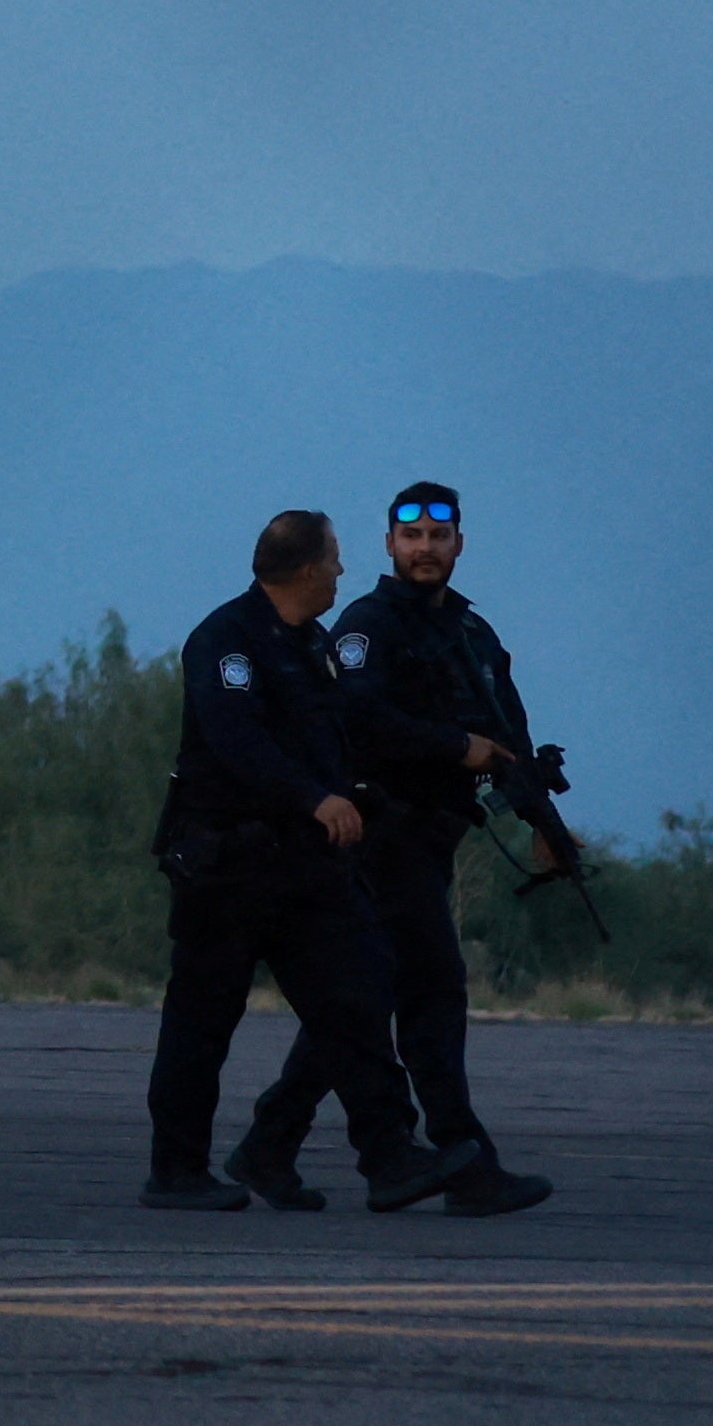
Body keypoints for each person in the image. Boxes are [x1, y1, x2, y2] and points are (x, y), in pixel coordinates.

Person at [229, 479, 566, 1214]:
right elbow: (358, 717)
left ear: (457, 545)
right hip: (380, 838)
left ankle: (269, 1143)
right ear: (390, 544)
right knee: (431, 995)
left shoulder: (473, 636)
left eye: (438, 538)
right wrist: (454, 747)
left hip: (431, 839)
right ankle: (463, 1162)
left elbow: (509, 741)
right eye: (410, 538)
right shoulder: (367, 626)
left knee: (363, 1000)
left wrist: (544, 823)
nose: (424, 550)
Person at [141, 507, 491, 1214]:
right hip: (228, 869)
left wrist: (374, 805)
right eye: (332, 559)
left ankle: (389, 1156)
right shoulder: (225, 641)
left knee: (357, 1004)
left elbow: (336, 744)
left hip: (306, 872)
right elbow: (238, 744)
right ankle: (176, 1171)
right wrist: (312, 799)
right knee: (201, 1023)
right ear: (306, 569)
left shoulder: (314, 646)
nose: (339, 571)